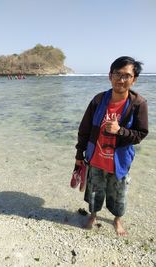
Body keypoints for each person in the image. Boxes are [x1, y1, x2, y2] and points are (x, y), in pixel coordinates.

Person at [75, 56, 148, 236]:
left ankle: (117, 220)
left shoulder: (138, 104)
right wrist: (79, 155)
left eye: (126, 75)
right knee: (94, 192)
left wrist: (119, 130)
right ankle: (93, 215)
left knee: (119, 195)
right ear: (110, 76)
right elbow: (84, 129)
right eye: (117, 74)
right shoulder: (99, 100)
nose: (121, 79)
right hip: (96, 159)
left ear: (134, 79)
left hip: (120, 161)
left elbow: (141, 134)